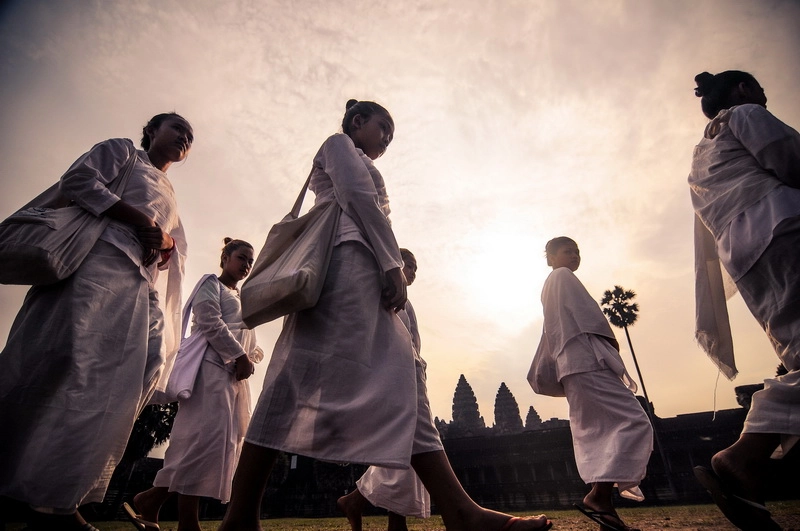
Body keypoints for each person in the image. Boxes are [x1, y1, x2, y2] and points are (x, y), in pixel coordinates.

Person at [219, 100, 551, 531]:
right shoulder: (338, 144)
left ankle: (461, 511)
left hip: (362, 268)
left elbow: (367, 204)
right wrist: (391, 262)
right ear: (358, 122)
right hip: (342, 266)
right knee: (295, 378)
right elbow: (357, 196)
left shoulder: (354, 154)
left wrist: (384, 262)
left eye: (392, 136)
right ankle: (241, 516)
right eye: (383, 129)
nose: (386, 141)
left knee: (400, 379)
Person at [0, 113, 192, 530]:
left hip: (139, 286)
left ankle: (60, 494)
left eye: (189, 136)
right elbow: (79, 182)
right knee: (70, 366)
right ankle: (36, 498)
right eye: (175, 127)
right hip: (94, 262)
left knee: (122, 383)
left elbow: (165, 243)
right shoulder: (122, 152)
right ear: (152, 131)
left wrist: (166, 241)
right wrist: (142, 221)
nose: (183, 137)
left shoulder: (171, 193)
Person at [689, 69, 800, 531]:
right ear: (740, 89)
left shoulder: (699, 158)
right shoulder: (746, 115)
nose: (764, 94)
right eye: (758, 86)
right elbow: (790, 159)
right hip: (786, 229)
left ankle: (757, 458)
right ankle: (748, 452)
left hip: (748, 258)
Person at [125, 238, 263, 531]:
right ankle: (184, 520)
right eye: (241, 257)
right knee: (200, 442)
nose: (246, 265)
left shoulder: (242, 297)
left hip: (231, 379)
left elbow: (245, 332)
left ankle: (153, 501)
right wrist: (238, 355)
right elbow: (208, 320)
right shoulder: (210, 284)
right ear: (225, 257)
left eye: (250, 261)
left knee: (215, 446)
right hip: (209, 373)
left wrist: (249, 356)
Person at [528, 237, 653, 531]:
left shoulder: (552, 284)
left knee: (599, 431)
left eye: (577, 252)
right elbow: (590, 321)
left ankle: (604, 506)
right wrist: (610, 345)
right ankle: (598, 496)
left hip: (575, 366)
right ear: (550, 256)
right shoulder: (561, 277)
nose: (574, 256)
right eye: (567, 251)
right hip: (585, 362)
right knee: (634, 421)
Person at [337, 248, 432, 531]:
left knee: (406, 446)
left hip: (409, 376)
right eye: (408, 265)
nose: (412, 272)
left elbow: (414, 345)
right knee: (404, 444)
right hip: (389, 377)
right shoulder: (382, 292)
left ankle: (370, 507)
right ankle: (389, 517)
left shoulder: (407, 304)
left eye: (416, 268)